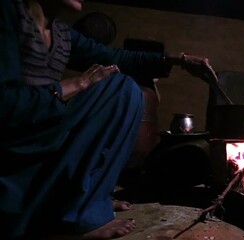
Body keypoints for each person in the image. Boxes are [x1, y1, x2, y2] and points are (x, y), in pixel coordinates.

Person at [0, 0, 215, 239]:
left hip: (48, 132)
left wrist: (178, 61)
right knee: (119, 89)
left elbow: (113, 56)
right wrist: (72, 85)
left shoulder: (60, 33)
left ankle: (92, 196)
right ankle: (80, 218)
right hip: (16, 141)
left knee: (126, 87)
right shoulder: (9, 16)